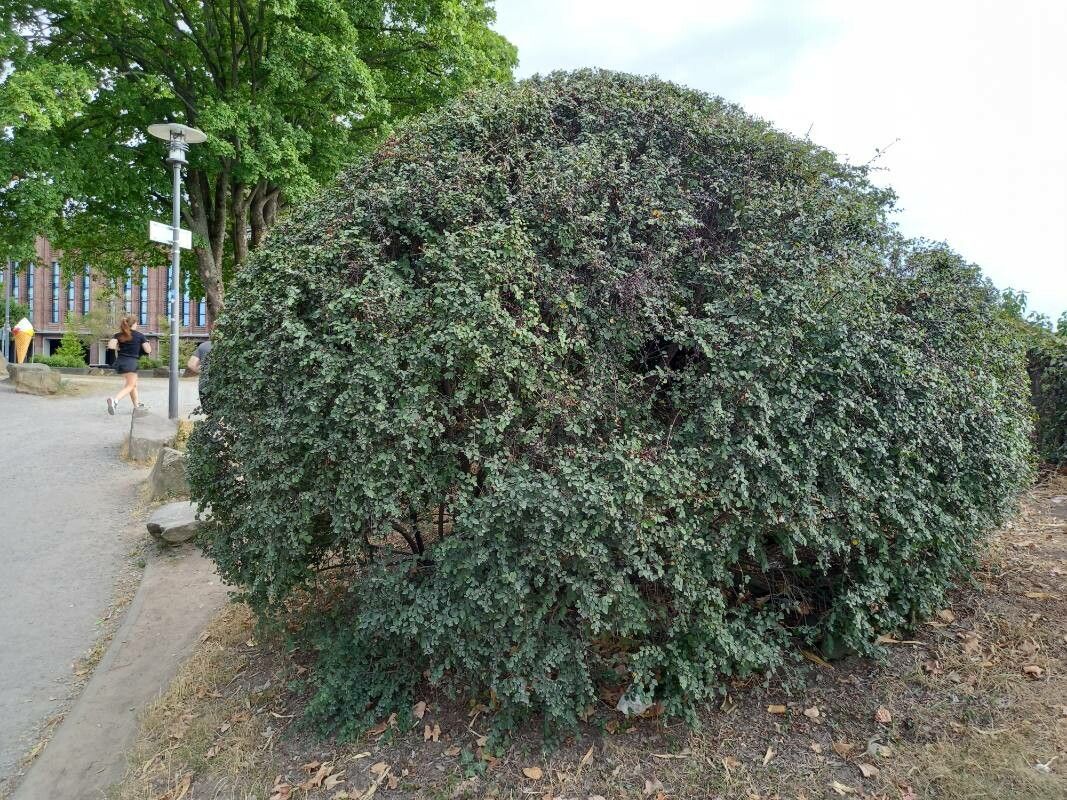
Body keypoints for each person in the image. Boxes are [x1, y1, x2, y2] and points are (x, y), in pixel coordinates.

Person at [106, 315, 151, 415]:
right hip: (131, 363)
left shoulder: (118, 335)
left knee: (132, 384)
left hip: (120, 362)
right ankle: (115, 401)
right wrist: (145, 343)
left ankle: (136, 405)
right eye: (136, 323)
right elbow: (148, 350)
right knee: (131, 385)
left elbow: (111, 346)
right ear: (134, 324)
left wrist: (118, 347)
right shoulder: (139, 335)